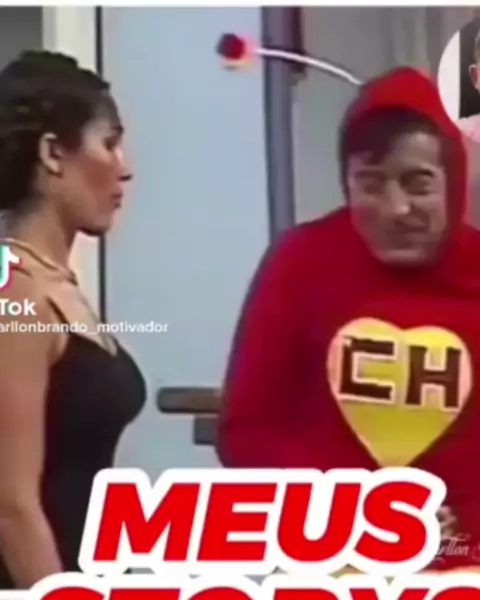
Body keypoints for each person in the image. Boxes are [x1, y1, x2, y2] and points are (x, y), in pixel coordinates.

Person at [217, 66, 480, 572]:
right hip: (332, 558)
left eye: (418, 184)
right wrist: (362, 507)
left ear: (453, 181)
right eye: (371, 184)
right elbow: (246, 430)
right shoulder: (300, 263)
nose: (395, 208)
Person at [0, 51, 146, 588]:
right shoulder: (15, 290)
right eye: (109, 143)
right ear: (53, 154)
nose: (124, 167)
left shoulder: (58, 285)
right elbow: (11, 505)